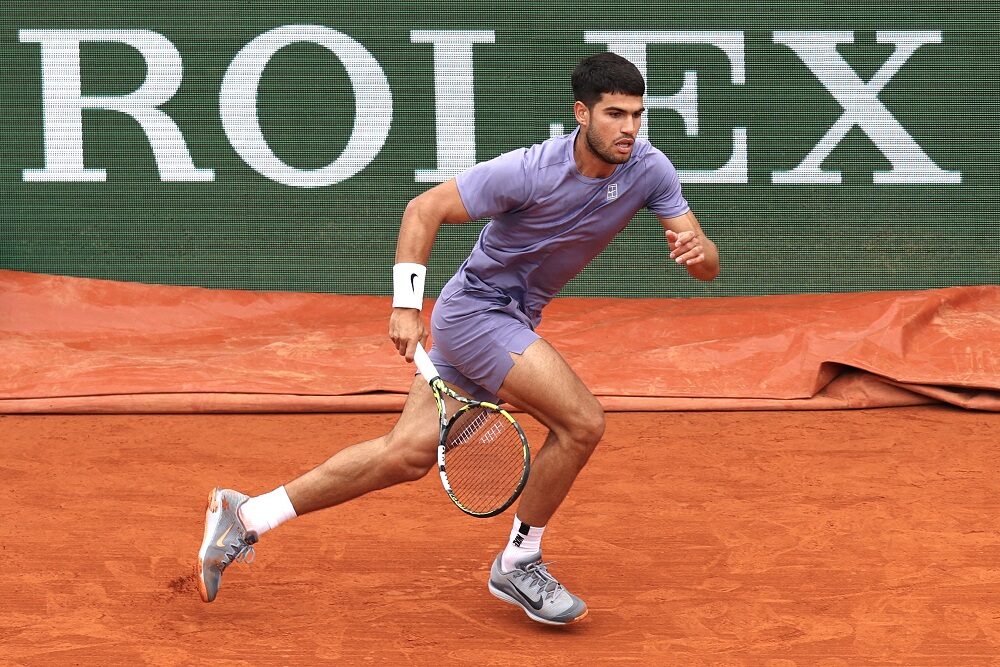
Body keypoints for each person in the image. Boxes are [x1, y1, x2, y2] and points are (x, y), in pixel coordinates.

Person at [198, 51, 720, 625]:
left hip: (514, 319)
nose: (629, 129)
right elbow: (424, 210)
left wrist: (699, 254)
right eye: (615, 114)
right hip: (476, 313)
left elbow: (705, 262)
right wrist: (405, 306)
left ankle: (247, 515)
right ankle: (519, 561)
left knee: (405, 455)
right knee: (582, 423)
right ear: (582, 113)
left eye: (637, 115)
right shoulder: (528, 171)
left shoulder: (649, 169)